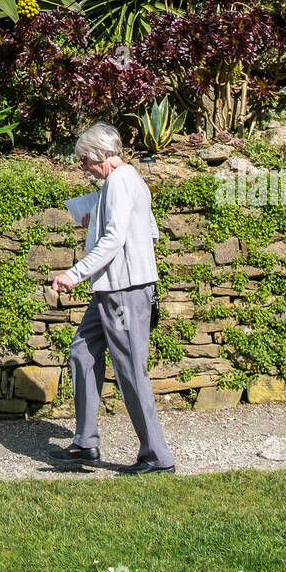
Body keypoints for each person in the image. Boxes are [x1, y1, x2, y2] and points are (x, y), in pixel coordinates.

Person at [49, 121, 176, 475]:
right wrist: (96, 220)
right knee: (82, 352)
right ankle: (85, 442)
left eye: (86, 161)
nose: (85, 168)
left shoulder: (120, 181)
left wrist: (74, 274)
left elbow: (114, 240)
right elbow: (146, 232)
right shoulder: (125, 181)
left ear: (100, 155)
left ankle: (157, 457)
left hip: (123, 294)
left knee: (131, 370)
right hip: (110, 290)